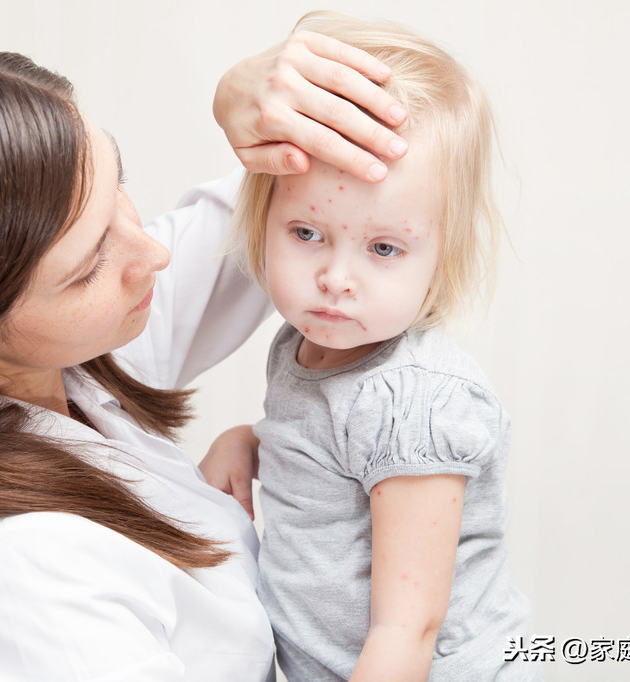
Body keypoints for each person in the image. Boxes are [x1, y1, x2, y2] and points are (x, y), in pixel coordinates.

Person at [0, 31, 412, 681]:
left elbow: (272, 228)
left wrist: (263, 112)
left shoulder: (49, 359)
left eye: (117, 189)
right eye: (87, 265)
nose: (150, 254)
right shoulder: (20, 580)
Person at [200, 12, 537, 681]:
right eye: (305, 232)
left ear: (442, 257)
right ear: (264, 216)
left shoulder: (412, 401)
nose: (335, 278)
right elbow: (331, 462)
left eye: (383, 248)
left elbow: (407, 628)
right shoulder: (304, 343)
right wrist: (247, 442)